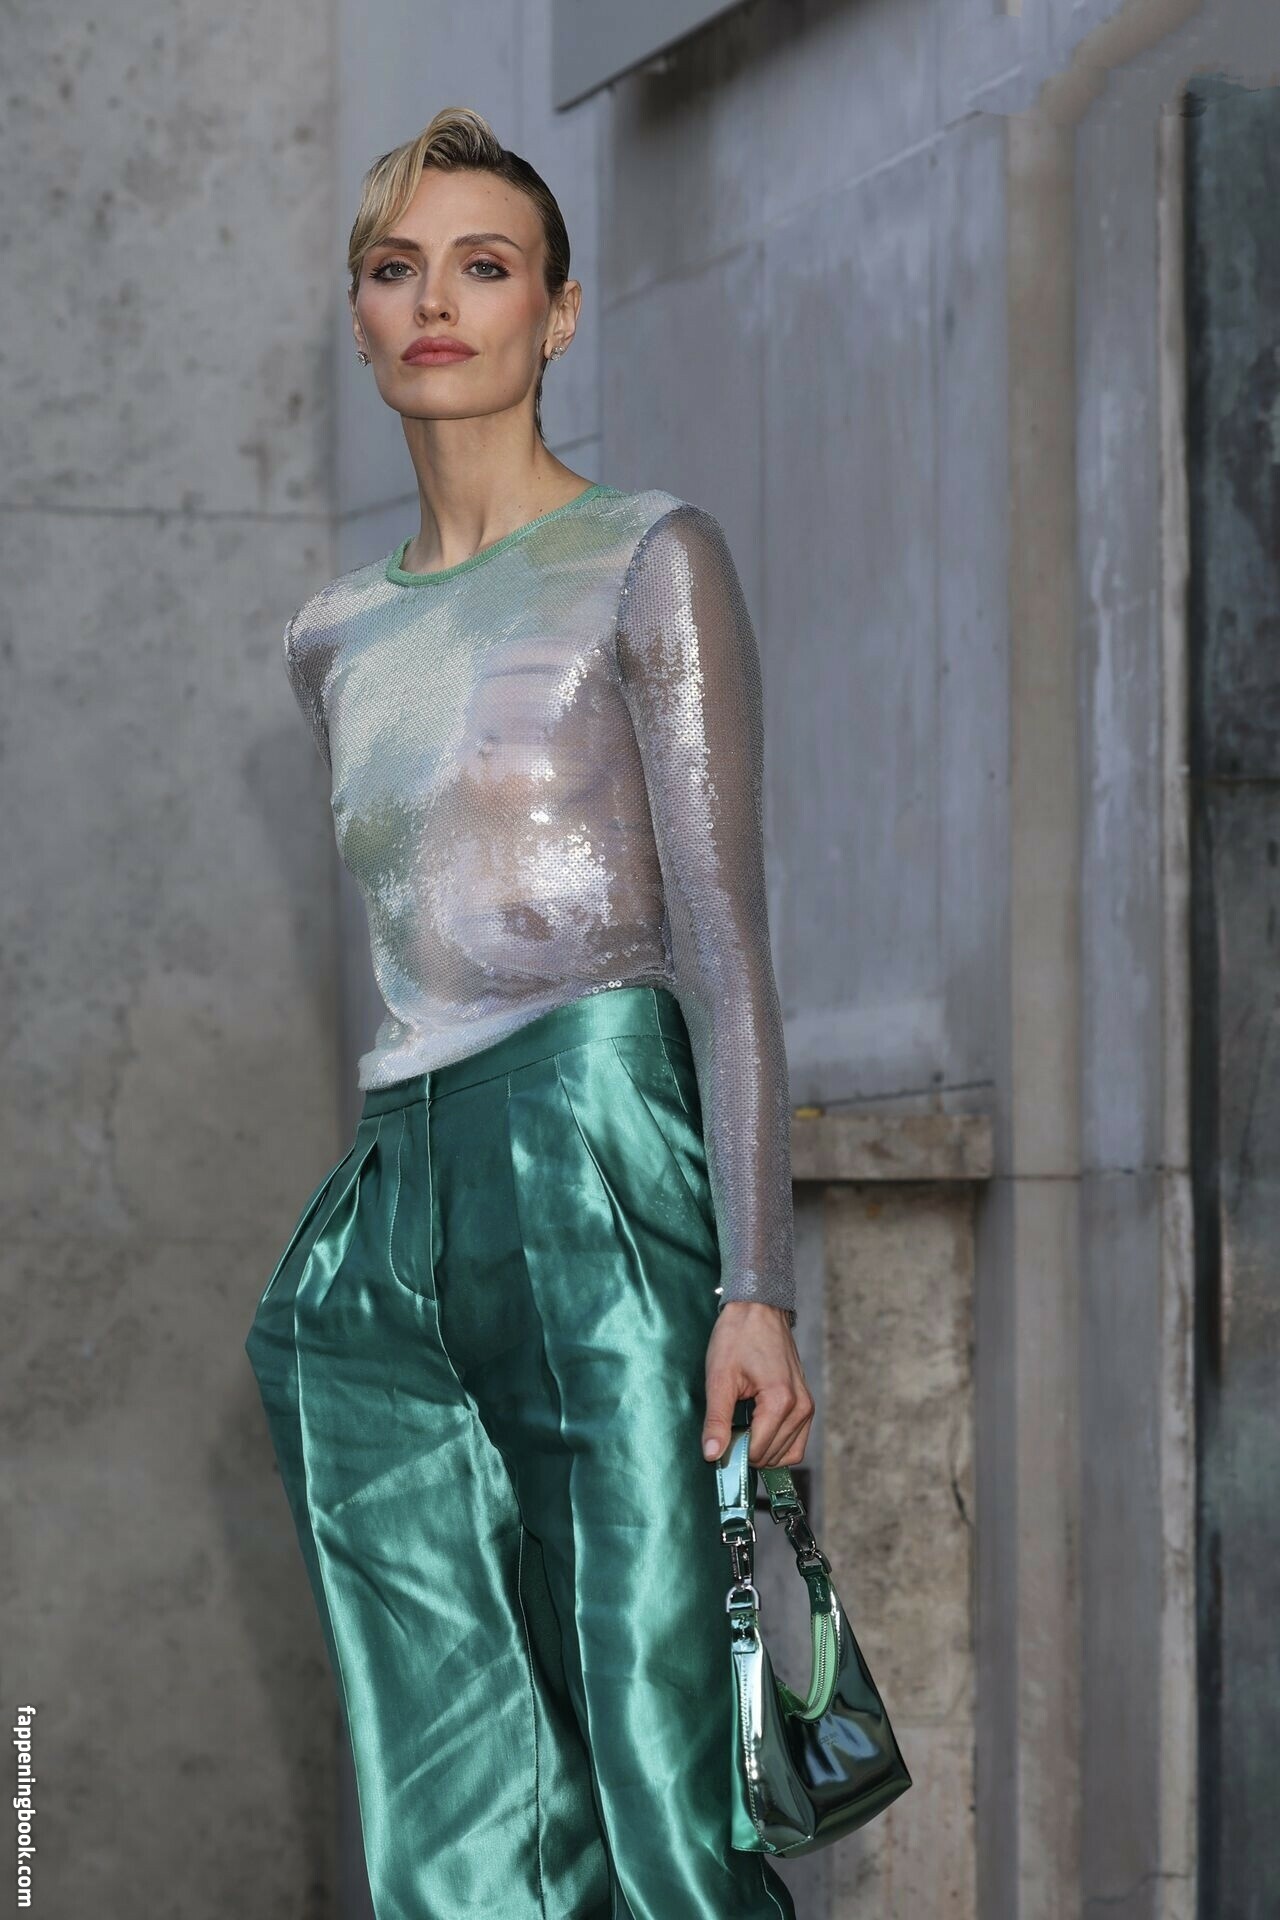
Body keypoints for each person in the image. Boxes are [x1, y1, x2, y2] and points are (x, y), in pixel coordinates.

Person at [245, 103, 813, 1920]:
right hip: (390, 1204)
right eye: (395, 269)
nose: (437, 303)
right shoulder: (332, 634)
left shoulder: (648, 556)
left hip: (597, 1159)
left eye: (483, 268)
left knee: (664, 1777)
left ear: (557, 313)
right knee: (452, 1822)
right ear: (358, 315)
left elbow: (725, 951)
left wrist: (755, 1283)